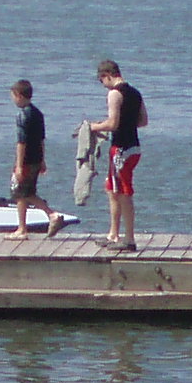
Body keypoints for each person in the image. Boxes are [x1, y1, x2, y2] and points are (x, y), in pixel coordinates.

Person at [83, 59, 146, 252]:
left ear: (107, 76)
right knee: (112, 189)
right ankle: (113, 234)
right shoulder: (135, 93)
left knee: (124, 193)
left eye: (102, 80)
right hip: (134, 147)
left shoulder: (114, 94)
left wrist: (93, 127)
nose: (103, 85)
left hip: (121, 149)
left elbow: (112, 124)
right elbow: (143, 121)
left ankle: (129, 239)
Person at [9, 79, 55, 237]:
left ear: (19, 95)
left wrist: (19, 166)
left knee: (23, 193)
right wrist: (42, 160)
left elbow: (21, 142)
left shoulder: (22, 115)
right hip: (36, 158)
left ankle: (51, 214)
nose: (13, 100)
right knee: (21, 194)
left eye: (13, 96)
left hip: (26, 160)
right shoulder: (37, 113)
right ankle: (22, 228)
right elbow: (41, 139)